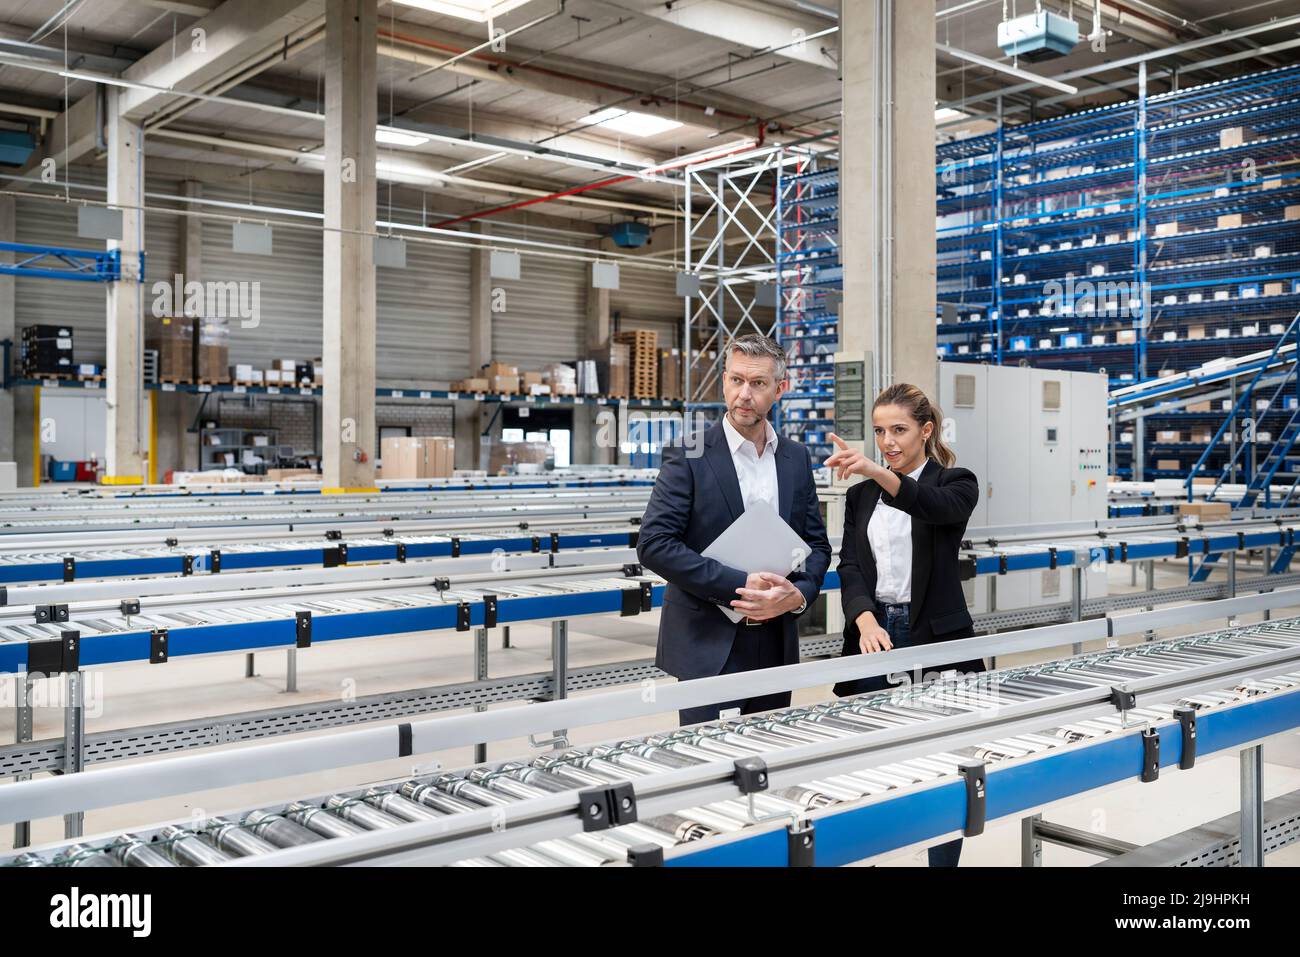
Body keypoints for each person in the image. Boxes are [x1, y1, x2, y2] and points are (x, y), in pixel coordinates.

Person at [823, 382, 985, 867]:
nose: (888, 441)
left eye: (899, 430)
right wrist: (866, 619)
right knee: (871, 750)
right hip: (876, 636)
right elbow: (849, 565)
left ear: (926, 430)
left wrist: (875, 469)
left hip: (934, 634)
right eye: (879, 432)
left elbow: (927, 507)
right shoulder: (860, 497)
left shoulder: (957, 483)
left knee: (939, 754)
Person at [637, 333, 832, 726]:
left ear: (780, 389)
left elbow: (816, 546)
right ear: (724, 380)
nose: (745, 393)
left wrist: (797, 596)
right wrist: (740, 586)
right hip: (707, 641)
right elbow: (655, 544)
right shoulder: (689, 453)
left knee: (773, 754)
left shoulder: (795, 458)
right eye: (736, 380)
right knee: (709, 764)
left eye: (758, 383)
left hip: (776, 640)